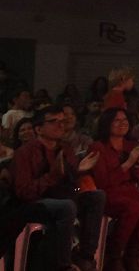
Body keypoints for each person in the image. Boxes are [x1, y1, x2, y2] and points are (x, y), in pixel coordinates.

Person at [12, 106, 106, 271]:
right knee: (66, 206)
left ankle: (85, 257)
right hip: (33, 203)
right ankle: (62, 266)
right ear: (39, 129)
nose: (60, 125)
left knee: (96, 196)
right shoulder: (25, 152)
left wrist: (78, 171)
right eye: (53, 122)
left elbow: (69, 185)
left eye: (62, 121)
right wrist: (51, 177)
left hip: (61, 197)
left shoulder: (65, 148)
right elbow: (23, 192)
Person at [90, 108, 139, 271]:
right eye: (117, 120)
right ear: (107, 124)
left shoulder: (131, 145)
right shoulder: (98, 147)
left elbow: (138, 177)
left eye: (125, 120)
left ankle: (133, 252)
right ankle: (115, 254)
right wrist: (128, 163)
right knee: (133, 207)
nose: (122, 123)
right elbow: (103, 182)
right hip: (109, 193)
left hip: (129, 190)